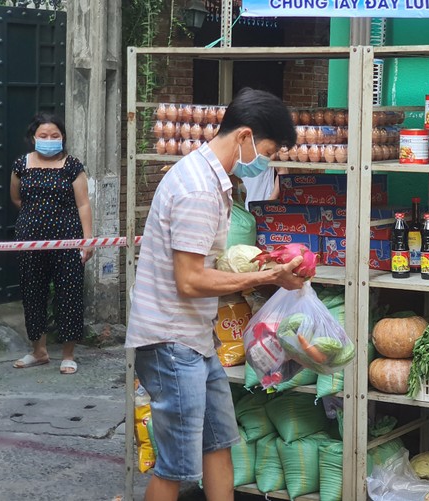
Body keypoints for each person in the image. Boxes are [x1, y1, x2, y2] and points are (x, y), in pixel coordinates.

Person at [125, 88, 307, 501]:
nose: (267, 161)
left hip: (194, 338)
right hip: (171, 341)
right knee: (175, 468)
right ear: (244, 137)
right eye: (267, 149)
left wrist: (263, 266)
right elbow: (190, 280)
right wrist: (266, 279)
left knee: (219, 443)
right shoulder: (198, 190)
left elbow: (206, 266)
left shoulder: (213, 181)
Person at [10, 112, 93, 375]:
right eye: (43, 136)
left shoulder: (72, 166)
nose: (49, 139)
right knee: (33, 293)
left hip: (67, 240)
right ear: (33, 138)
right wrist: (35, 220)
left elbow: (83, 204)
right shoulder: (21, 164)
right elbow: (16, 198)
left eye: (54, 136)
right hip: (29, 242)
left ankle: (68, 355)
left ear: (63, 137)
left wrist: (87, 239)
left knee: (69, 294)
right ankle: (39, 351)